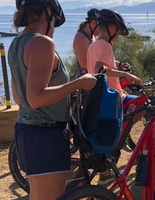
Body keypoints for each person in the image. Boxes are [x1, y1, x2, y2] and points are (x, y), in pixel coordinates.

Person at [7, 0, 96, 199]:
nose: (55, 26)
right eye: (55, 20)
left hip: (27, 131)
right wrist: (77, 84)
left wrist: (63, 93)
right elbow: (36, 98)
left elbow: (20, 99)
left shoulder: (16, 43)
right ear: (48, 11)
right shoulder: (42, 43)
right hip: (45, 134)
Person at [86, 8, 143, 184]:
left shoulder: (94, 44)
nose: (118, 35)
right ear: (110, 27)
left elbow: (102, 63)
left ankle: (106, 172)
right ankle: (118, 139)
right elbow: (99, 69)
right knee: (143, 104)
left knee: (135, 106)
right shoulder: (104, 44)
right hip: (110, 97)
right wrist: (127, 75)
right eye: (117, 30)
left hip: (99, 96)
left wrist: (118, 65)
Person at [73, 8, 100, 78]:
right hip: (85, 81)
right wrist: (104, 67)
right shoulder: (81, 38)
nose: (101, 30)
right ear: (93, 23)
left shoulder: (93, 36)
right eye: (100, 26)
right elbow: (84, 64)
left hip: (94, 77)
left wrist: (118, 64)